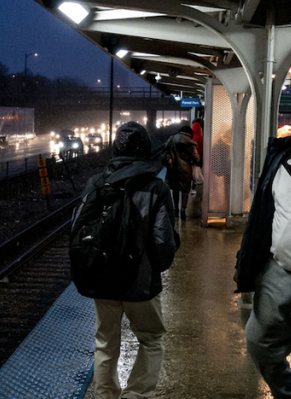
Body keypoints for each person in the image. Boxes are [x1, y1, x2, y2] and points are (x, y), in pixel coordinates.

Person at [76, 121, 180, 399]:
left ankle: (106, 396)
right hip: (141, 284)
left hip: (104, 281)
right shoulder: (156, 188)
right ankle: (135, 395)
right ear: (145, 150)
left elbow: (77, 232)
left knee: (105, 343)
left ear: (115, 150)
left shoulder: (96, 184)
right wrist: (151, 268)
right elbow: (163, 244)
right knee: (151, 340)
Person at [234, 106, 291, 399]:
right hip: (279, 272)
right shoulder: (280, 163)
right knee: (258, 342)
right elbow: (259, 216)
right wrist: (244, 260)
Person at [161, 124, 200, 220]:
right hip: (186, 170)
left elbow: (164, 151)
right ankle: (183, 210)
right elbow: (196, 158)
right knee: (185, 190)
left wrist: (169, 160)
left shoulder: (172, 139)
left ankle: (175, 210)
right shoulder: (192, 143)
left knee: (175, 189)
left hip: (173, 168)